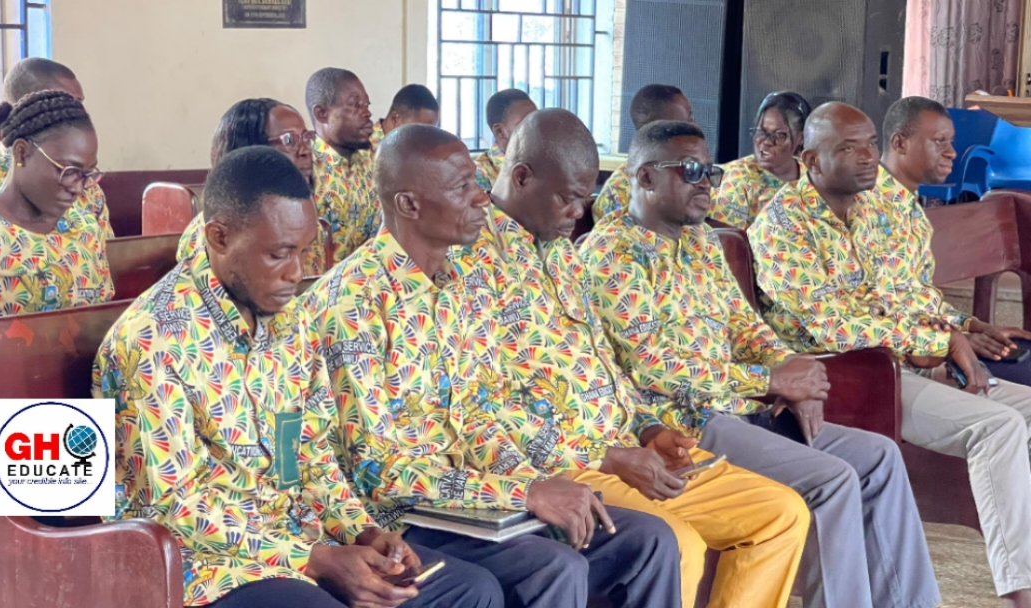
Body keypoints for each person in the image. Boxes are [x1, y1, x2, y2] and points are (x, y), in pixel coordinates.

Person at [95, 146, 502, 608]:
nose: (297, 273)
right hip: (208, 567)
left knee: (470, 590)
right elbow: (175, 508)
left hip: (301, 539)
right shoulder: (151, 340)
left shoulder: (291, 323)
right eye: (280, 254)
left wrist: (365, 533)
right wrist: (316, 560)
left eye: (306, 251)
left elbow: (312, 455)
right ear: (219, 238)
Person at [301, 124, 682, 608]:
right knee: (554, 567)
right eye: (462, 187)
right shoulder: (353, 305)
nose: (482, 197)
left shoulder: (463, 286)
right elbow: (382, 474)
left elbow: (481, 415)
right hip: (406, 517)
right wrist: (523, 493)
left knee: (648, 541)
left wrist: (533, 485)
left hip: (480, 499)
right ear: (409, 205)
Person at [583, 119, 941, 608]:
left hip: (746, 407)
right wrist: (768, 379)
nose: (706, 183)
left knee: (878, 457)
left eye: (710, 171)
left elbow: (745, 326)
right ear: (645, 177)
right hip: (683, 423)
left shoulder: (701, 243)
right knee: (832, 479)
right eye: (691, 171)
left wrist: (794, 371)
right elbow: (653, 369)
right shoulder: (612, 255)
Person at [464, 109, 810, 608]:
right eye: (568, 198)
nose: (578, 213)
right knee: (678, 544)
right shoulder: (472, 263)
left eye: (585, 198)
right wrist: (606, 457)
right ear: (520, 177)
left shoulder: (560, 252)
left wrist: (648, 429)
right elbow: (478, 409)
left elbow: (605, 362)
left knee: (781, 514)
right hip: (561, 465)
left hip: (627, 444)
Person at [750, 101, 1031, 608]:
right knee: (999, 427)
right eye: (848, 148)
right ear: (811, 160)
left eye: (870, 145)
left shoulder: (876, 209)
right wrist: (935, 342)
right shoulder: (783, 225)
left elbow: (907, 296)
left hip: (899, 363)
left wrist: (959, 328)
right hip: (844, 377)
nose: (866, 158)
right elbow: (830, 325)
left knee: (1026, 409)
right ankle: (1020, 590)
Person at [879, 96, 1031, 386]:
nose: (952, 153)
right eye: (939, 141)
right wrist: (950, 339)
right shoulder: (872, 210)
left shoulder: (908, 206)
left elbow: (916, 299)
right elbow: (877, 311)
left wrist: (974, 325)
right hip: (896, 363)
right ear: (899, 143)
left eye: (950, 142)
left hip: (928, 344)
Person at [0, 90, 111, 320]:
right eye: (68, 171)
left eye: (87, 174)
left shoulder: (84, 226)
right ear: (22, 152)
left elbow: (102, 318)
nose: (78, 188)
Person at [0, 58, 110, 237]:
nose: (76, 113)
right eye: (64, 103)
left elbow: (109, 250)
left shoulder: (88, 188)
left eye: (79, 104)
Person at [175, 98, 325, 273]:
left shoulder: (304, 223)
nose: (305, 151)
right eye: (289, 140)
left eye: (307, 138)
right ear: (248, 152)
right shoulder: (214, 235)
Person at [305, 67, 381, 266]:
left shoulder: (373, 163)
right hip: (314, 283)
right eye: (355, 105)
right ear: (322, 113)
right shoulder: (303, 166)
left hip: (364, 280)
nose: (367, 112)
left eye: (366, 104)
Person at [709, 91, 811, 229]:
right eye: (761, 132)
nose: (767, 142)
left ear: (801, 138)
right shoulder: (736, 178)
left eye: (779, 135)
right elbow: (728, 238)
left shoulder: (813, 175)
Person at [593, 84, 693, 220]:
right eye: (683, 125)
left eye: (691, 118)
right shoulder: (618, 195)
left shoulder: (693, 175)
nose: (695, 128)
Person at [474, 89, 537, 191]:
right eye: (526, 124)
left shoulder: (545, 161)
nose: (536, 128)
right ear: (500, 131)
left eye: (536, 120)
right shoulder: (479, 173)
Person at [370, 84, 440, 150]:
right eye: (419, 131)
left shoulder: (405, 150)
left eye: (430, 133)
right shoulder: (366, 150)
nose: (425, 140)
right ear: (395, 119)